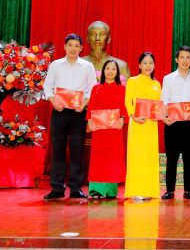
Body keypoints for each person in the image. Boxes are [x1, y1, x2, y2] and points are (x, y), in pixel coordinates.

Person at [43, 33, 97, 200]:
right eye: (70, 45)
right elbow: (48, 85)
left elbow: (92, 88)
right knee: (58, 149)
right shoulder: (55, 65)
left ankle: (75, 188)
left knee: (77, 150)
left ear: (81, 48)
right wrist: (53, 101)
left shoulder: (87, 66)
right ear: (65, 47)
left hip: (78, 113)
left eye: (76, 46)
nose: (73, 49)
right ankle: (57, 188)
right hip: (59, 111)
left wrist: (85, 103)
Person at [160, 46, 190, 200]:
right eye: (182, 57)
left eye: (188, 57)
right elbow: (164, 99)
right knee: (171, 158)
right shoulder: (168, 78)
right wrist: (164, 117)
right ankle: (169, 190)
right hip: (173, 123)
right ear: (176, 60)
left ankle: (188, 190)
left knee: (189, 158)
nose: (185, 60)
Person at [86, 60, 127, 199]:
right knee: (98, 158)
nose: (110, 71)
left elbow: (124, 106)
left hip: (114, 129)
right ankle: (96, 190)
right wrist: (89, 121)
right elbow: (91, 106)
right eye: (107, 68)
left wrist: (122, 118)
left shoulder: (122, 88)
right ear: (103, 71)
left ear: (117, 72)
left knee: (113, 158)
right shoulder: (96, 88)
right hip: (99, 129)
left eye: (113, 69)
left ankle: (110, 190)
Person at [124, 51, 162, 200]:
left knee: (149, 157)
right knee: (137, 157)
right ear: (139, 65)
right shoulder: (132, 81)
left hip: (151, 126)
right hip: (137, 124)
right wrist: (133, 116)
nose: (148, 66)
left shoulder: (156, 84)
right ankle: (136, 191)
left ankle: (149, 191)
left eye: (151, 63)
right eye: (145, 63)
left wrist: (158, 115)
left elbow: (158, 105)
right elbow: (128, 101)